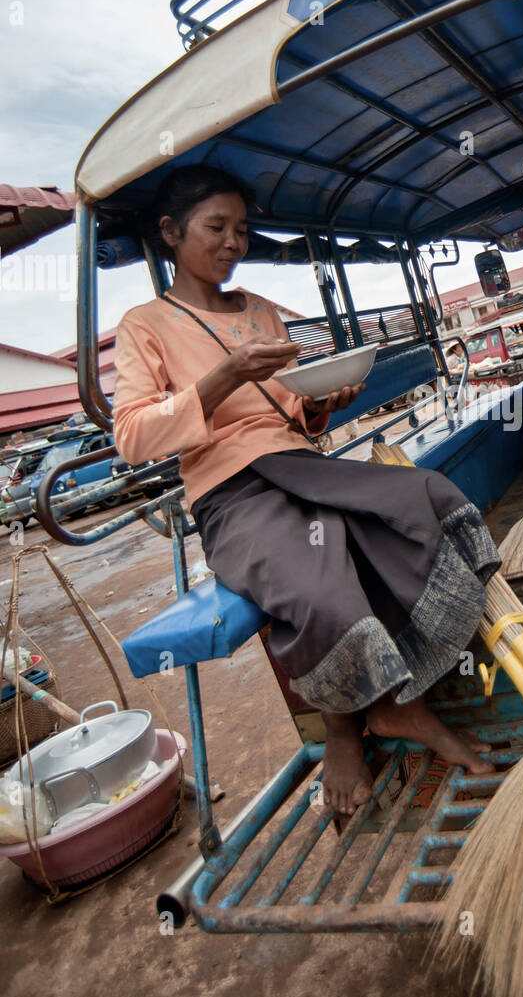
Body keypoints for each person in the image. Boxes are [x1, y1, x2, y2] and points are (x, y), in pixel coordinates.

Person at [112, 165, 499, 815]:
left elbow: (291, 411)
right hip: (231, 490)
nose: (234, 242)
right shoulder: (144, 324)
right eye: (216, 228)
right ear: (172, 233)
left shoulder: (260, 312)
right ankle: (363, 721)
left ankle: (393, 707)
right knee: (314, 580)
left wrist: (323, 406)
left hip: (300, 464)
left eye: (242, 230)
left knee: (422, 497)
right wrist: (222, 378)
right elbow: (132, 437)